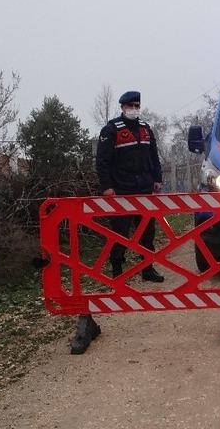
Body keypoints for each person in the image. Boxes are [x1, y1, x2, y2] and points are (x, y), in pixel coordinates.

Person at [70, 90, 165, 355]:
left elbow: (154, 156)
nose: (135, 108)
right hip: (121, 191)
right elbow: (102, 161)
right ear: (122, 107)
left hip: (145, 188)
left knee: (147, 231)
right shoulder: (111, 130)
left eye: (137, 105)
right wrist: (107, 187)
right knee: (120, 234)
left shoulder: (146, 129)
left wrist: (157, 177)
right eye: (130, 105)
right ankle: (118, 272)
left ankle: (148, 269)